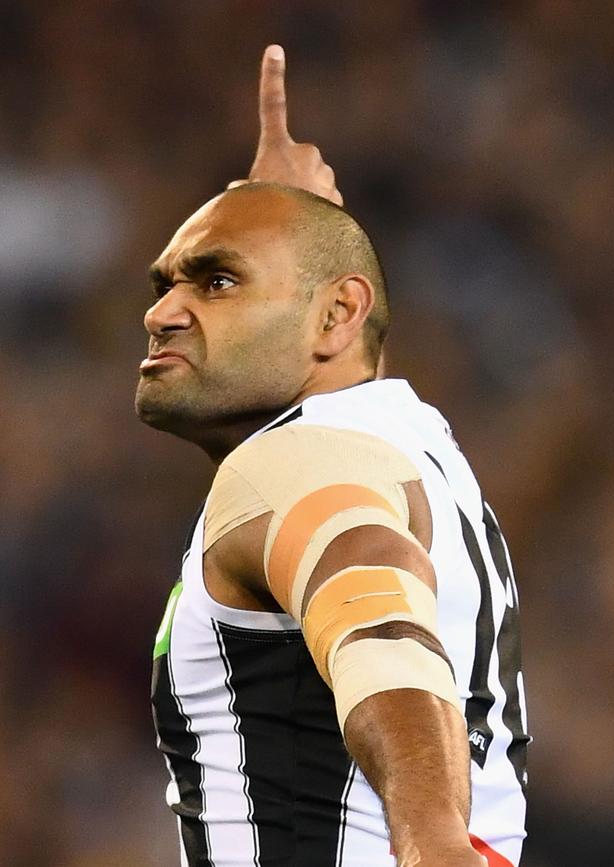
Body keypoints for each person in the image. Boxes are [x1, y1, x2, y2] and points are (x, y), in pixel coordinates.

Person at [138, 45, 529, 867]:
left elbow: (378, 622)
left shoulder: (295, 460)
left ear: (335, 316)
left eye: (215, 281)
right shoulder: (410, 439)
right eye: (166, 283)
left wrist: (433, 844)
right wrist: (284, 222)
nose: (164, 311)